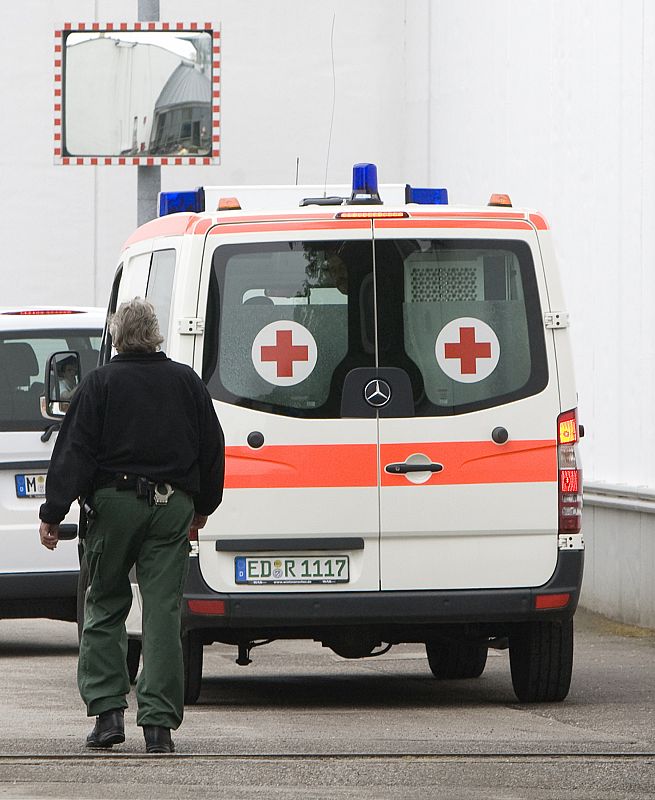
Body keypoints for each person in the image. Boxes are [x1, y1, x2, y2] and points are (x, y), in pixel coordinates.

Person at [38, 298, 225, 754]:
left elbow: (75, 451)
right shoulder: (187, 382)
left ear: (118, 336)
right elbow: (211, 446)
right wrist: (203, 505)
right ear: (157, 334)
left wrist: (53, 512)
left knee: (104, 602)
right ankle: (158, 728)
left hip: (114, 505)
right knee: (162, 611)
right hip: (172, 507)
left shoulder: (99, 384)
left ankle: (107, 718)